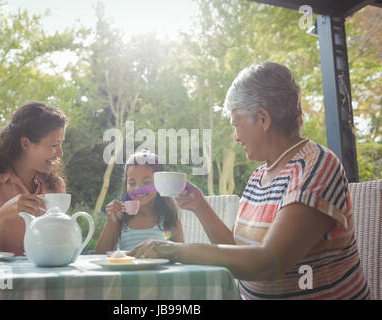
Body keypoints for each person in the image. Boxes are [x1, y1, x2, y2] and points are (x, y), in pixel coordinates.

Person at [128, 62, 370, 300]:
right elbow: (238, 251)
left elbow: (267, 263)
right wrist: (199, 206)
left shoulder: (316, 166)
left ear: (263, 118)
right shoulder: (258, 177)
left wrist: (173, 250)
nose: (235, 136)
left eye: (236, 124)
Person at [0, 102, 68, 256]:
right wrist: (3, 215)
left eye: (61, 144)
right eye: (54, 145)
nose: (60, 153)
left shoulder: (56, 186)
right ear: (25, 143)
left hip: (44, 279)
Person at [96, 150, 184, 253]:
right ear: (126, 185)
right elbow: (100, 254)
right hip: (128, 269)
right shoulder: (120, 217)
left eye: (146, 182)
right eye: (132, 183)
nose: (138, 188)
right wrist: (111, 222)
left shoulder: (168, 216)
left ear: (160, 183)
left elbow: (180, 253)